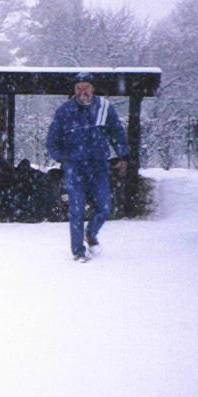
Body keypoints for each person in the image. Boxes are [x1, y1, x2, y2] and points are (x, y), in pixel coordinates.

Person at [47, 72, 130, 262]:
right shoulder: (64, 112)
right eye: (79, 88)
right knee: (76, 209)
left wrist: (123, 155)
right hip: (75, 168)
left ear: (93, 89)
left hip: (99, 166)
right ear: (74, 91)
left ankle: (91, 232)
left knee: (105, 206)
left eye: (86, 87)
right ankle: (78, 251)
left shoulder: (104, 108)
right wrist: (64, 158)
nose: (83, 91)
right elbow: (52, 141)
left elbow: (116, 132)